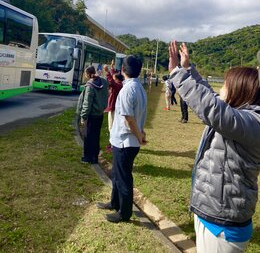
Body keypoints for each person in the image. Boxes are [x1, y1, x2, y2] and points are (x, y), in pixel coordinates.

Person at [168, 40, 260, 253]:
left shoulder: (252, 122)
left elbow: (211, 107)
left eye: (225, 84)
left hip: (223, 224)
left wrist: (176, 73)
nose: (221, 88)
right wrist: (189, 69)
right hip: (213, 213)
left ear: (240, 90)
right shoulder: (237, 116)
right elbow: (209, 95)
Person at [96, 55, 147, 223]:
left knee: (124, 178)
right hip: (125, 141)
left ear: (123, 70)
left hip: (126, 141)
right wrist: (142, 132)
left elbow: (129, 118)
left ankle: (124, 213)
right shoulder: (139, 88)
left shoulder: (127, 89)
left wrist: (139, 135)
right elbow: (141, 115)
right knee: (117, 175)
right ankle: (115, 202)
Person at [79, 65, 108, 164]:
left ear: (87, 74)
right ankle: (95, 157)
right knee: (96, 136)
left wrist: (83, 117)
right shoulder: (103, 82)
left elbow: (87, 103)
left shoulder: (90, 85)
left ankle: (87, 158)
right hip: (100, 114)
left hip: (91, 115)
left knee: (88, 137)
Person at [104, 60, 124, 152]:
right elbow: (113, 78)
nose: (113, 78)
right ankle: (112, 144)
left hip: (113, 109)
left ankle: (113, 146)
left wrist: (107, 72)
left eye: (114, 77)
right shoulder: (119, 84)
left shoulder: (118, 85)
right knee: (112, 127)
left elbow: (111, 81)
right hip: (113, 108)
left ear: (117, 79)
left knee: (111, 127)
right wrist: (112, 67)